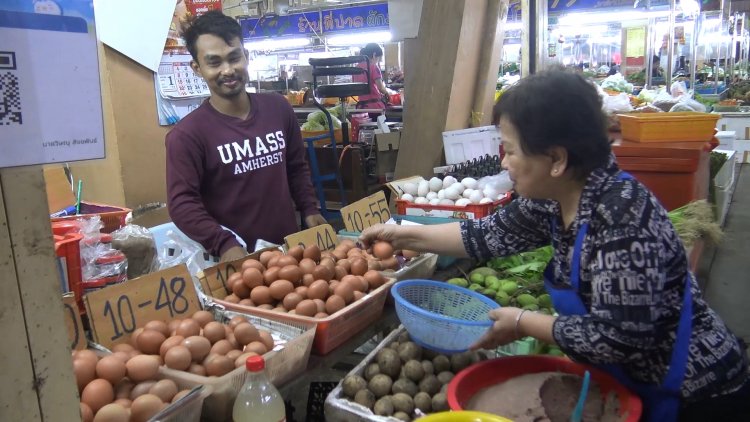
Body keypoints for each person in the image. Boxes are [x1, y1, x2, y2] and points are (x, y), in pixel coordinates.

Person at [360, 68, 750, 422]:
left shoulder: (621, 217)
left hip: (697, 395)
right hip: (630, 385)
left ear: (557, 159)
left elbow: (618, 339)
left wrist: (522, 322)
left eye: (510, 150)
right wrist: (402, 232)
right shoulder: (552, 199)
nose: (504, 163)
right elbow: (482, 235)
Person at [165, 11, 326, 262]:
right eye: (214, 62)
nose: (228, 70)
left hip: (289, 252)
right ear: (197, 68)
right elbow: (182, 203)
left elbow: (296, 167)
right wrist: (223, 243)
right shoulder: (187, 135)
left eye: (234, 57)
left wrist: (309, 208)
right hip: (235, 262)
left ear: (246, 56)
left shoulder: (278, 108)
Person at [353, 43, 389, 109]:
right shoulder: (373, 66)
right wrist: (387, 93)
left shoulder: (356, 68)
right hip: (375, 107)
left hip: (361, 107)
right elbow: (380, 88)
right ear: (374, 55)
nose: (377, 61)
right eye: (378, 58)